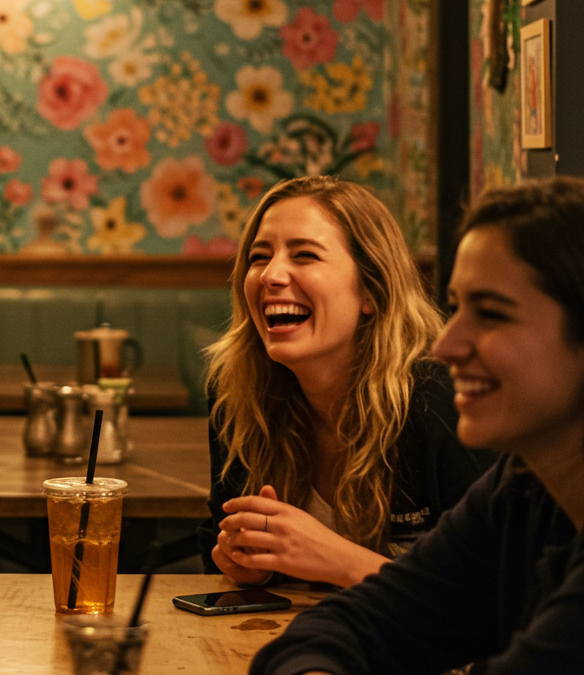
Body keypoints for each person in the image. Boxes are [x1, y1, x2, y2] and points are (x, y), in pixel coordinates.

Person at [251, 177, 584, 674]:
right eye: (456, 308)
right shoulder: (522, 488)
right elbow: (355, 625)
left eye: (491, 314)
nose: (444, 345)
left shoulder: (441, 416)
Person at [199, 176, 492, 588]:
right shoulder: (238, 393)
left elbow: (494, 590)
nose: (270, 275)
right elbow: (219, 542)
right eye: (258, 257)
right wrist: (245, 563)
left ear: (370, 291)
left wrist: (337, 560)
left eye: (304, 255)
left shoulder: (442, 398)